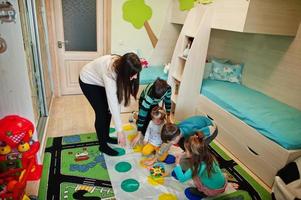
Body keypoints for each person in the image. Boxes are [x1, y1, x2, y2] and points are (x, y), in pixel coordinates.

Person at [79, 53, 142, 156]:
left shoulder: (122, 67)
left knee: (108, 111)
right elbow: (113, 102)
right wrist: (119, 131)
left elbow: (116, 102)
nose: (135, 76)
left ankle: (106, 137)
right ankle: (102, 146)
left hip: (99, 81)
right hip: (88, 80)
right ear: (125, 72)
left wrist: (119, 129)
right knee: (101, 113)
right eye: (133, 74)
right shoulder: (110, 74)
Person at [143, 115, 218, 165]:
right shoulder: (175, 130)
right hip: (201, 121)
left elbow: (211, 129)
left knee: (197, 149)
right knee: (186, 146)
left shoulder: (192, 132)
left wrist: (187, 154)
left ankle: (200, 163)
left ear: (176, 137)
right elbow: (165, 145)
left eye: (171, 142)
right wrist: (154, 159)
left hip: (210, 129)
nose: (170, 144)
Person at [172, 131, 227, 199]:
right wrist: (184, 154)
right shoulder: (209, 156)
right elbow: (191, 155)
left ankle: (203, 193)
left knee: (195, 178)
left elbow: (182, 179)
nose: (185, 152)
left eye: (186, 150)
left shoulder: (198, 166)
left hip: (213, 189)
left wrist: (177, 164)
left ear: (193, 153)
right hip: (222, 182)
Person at [131, 78, 172, 146]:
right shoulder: (149, 96)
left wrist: (168, 116)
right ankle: (135, 116)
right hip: (144, 100)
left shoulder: (168, 89)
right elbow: (143, 114)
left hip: (154, 103)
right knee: (144, 130)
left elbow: (168, 102)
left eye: (158, 98)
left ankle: (137, 116)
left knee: (155, 121)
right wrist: (138, 134)